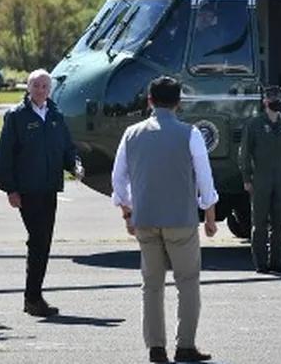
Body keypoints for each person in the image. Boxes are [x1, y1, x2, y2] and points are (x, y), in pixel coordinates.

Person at [111, 76, 217, 363]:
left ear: (150, 101)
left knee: (152, 284)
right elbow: (205, 178)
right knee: (188, 282)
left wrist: (128, 211)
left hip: (145, 218)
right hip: (181, 219)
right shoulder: (190, 133)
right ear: (179, 102)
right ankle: (185, 346)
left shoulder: (131, 134)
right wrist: (209, 214)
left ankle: (156, 348)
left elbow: (118, 179)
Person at [0, 68, 83, 317]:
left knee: (43, 242)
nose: (41, 90)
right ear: (28, 88)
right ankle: (32, 298)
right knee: (39, 240)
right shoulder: (16, 116)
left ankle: (33, 296)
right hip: (28, 189)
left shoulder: (56, 114)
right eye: (36, 86)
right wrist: (10, 188)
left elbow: (67, 148)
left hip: (49, 188)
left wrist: (75, 165)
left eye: (45, 86)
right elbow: (5, 156)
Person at [239, 85, 281, 274]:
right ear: (264, 101)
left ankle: (276, 260)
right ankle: (261, 263)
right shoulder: (254, 124)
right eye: (271, 98)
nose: (275, 101)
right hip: (261, 179)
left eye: (277, 97)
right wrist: (247, 177)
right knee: (259, 222)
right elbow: (245, 152)